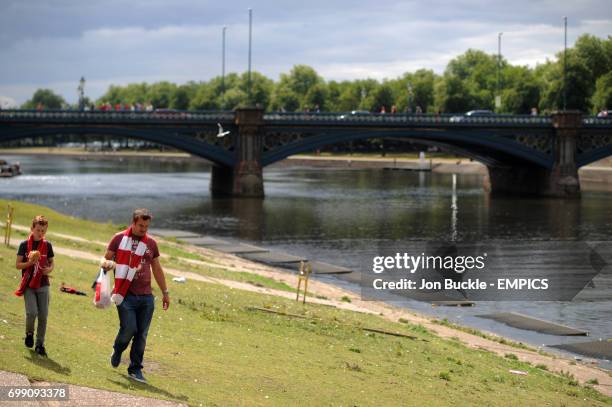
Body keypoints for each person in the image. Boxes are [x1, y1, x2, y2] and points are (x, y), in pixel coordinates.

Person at [101, 208, 170, 384]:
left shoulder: (151, 244)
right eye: (140, 226)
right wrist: (109, 264)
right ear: (133, 223)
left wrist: (165, 292)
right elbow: (104, 260)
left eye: (146, 227)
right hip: (124, 295)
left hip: (146, 297)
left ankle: (135, 369)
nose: (143, 229)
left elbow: (157, 269)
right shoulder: (118, 238)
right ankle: (118, 349)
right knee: (129, 329)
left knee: (142, 335)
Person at [15, 215, 55, 357]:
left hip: (43, 284)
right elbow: (18, 265)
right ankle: (29, 333)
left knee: (43, 316)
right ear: (32, 229)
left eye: (43, 231)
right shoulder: (24, 245)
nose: (40, 233)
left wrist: (48, 270)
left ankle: (40, 344)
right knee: (32, 313)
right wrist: (30, 263)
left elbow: (51, 263)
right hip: (28, 284)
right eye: (38, 230)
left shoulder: (47, 245)